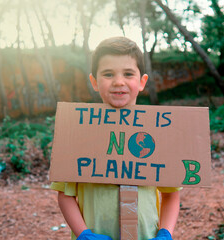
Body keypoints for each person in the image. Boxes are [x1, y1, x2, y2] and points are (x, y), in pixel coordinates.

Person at [51, 36, 181, 240]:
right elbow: (65, 194)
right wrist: (83, 234)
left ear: (142, 82)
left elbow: (171, 193)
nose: (118, 82)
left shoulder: (158, 131)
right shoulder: (77, 132)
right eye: (108, 74)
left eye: (128, 74)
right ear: (94, 81)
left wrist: (165, 232)